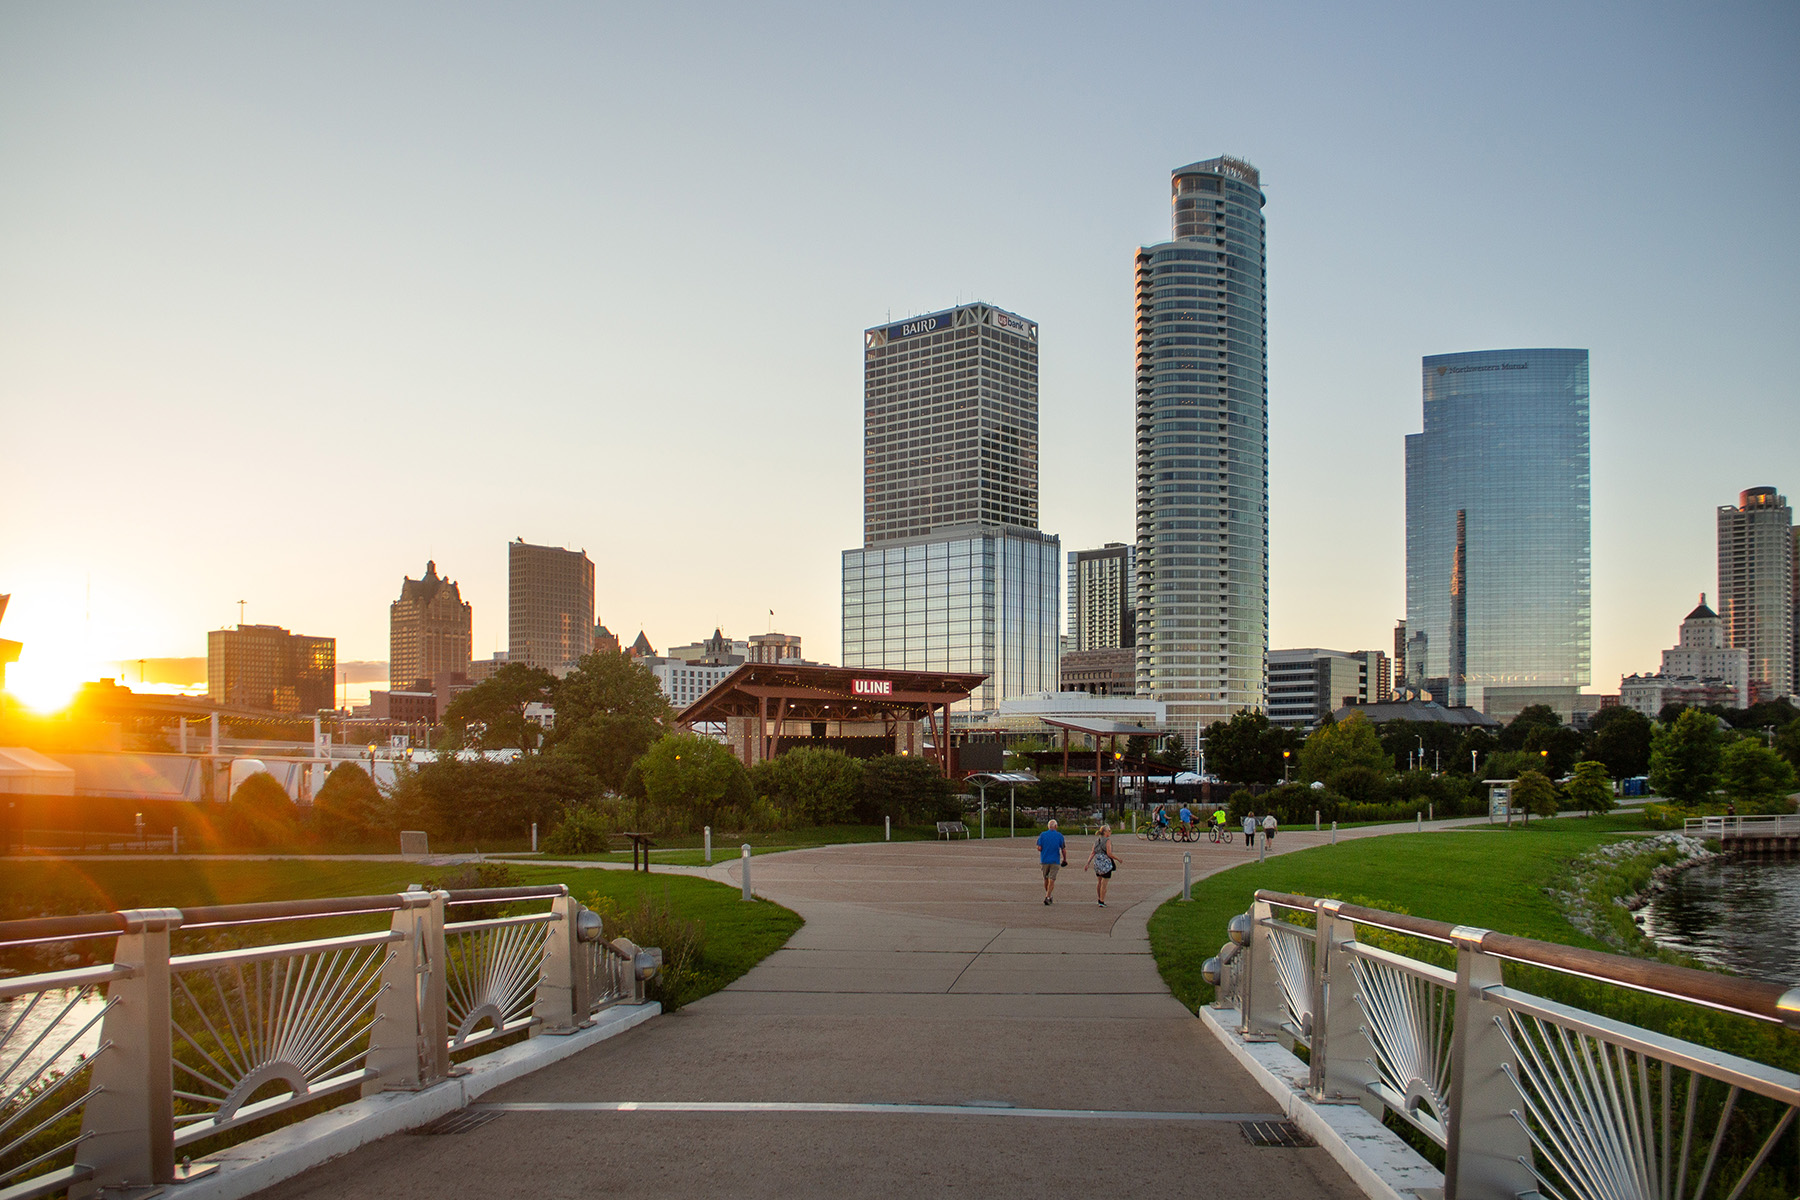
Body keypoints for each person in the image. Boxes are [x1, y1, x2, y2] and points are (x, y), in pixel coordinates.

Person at [1085, 824, 1119, 907]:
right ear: (1105, 832)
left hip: (1097, 863)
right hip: (1105, 863)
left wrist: (1088, 863)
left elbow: (1093, 852)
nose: (1110, 832)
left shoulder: (1097, 841)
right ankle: (1102, 900)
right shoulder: (1107, 841)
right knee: (1104, 883)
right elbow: (1109, 853)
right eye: (1109, 830)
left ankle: (1099, 898)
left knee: (1099, 882)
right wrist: (1118, 859)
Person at [1036, 819, 1067, 905]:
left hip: (1044, 860)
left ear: (1048, 826)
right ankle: (1048, 896)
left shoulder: (1042, 835)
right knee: (1052, 879)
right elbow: (1063, 849)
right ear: (1056, 826)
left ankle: (1048, 896)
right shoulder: (1059, 836)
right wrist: (1064, 859)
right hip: (1055, 860)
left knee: (1046, 878)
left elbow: (1039, 848)